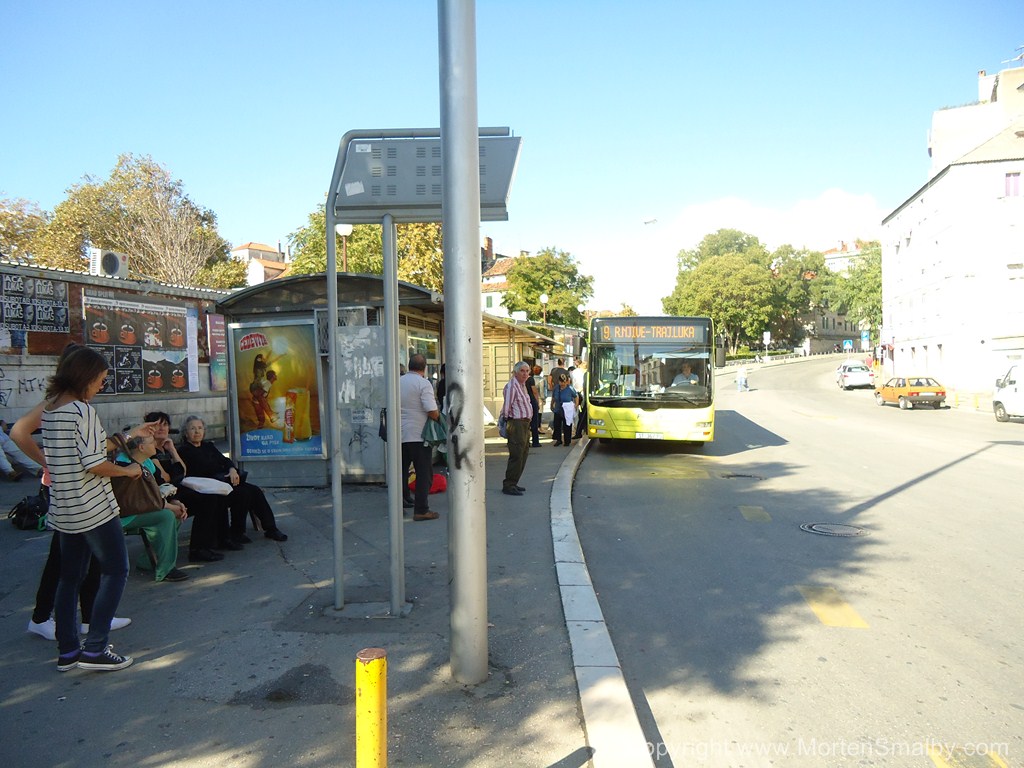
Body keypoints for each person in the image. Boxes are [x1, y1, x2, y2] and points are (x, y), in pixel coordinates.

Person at [40, 345, 141, 672]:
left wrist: (124, 438)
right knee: (116, 570)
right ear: (84, 378)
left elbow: (80, 454)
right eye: (99, 380)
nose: (101, 386)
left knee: (69, 579)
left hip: (65, 509)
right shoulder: (82, 412)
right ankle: (95, 648)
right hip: (94, 509)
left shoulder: (51, 410)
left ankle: (68, 651)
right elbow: (94, 463)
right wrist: (128, 470)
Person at [177, 415, 287, 542]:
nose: (197, 432)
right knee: (242, 493)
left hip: (224, 482)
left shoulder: (208, 446)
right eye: (192, 429)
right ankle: (237, 532)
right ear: (186, 433)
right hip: (209, 489)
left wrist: (232, 469)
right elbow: (199, 471)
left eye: (200, 428)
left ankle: (271, 529)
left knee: (254, 490)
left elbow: (225, 460)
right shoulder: (184, 451)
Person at [144, 410, 232, 562]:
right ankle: (198, 550)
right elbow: (164, 477)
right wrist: (174, 473)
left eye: (165, 425)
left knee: (213, 497)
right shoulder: (149, 449)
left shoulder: (166, 447)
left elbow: (182, 471)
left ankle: (210, 543)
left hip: (173, 490)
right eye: (157, 425)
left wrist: (172, 450)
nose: (162, 428)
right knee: (207, 501)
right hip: (160, 495)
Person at [113, 435, 190, 583]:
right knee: (166, 516)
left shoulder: (147, 462)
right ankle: (165, 570)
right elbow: (139, 499)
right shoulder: (123, 464)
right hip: (126, 514)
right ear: (141, 447)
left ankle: (147, 561)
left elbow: (161, 487)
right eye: (151, 441)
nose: (155, 443)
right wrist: (170, 507)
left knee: (175, 515)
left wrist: (175, 501)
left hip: (146, 508)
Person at [400, 354, 441, 521]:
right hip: (418, 435)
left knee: (401, 471)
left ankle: (399, 504)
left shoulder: (397, 382)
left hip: (399, 435)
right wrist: (439, 418)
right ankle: (421, 509)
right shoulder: (423, 384)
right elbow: (431, 410)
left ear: (409, 366)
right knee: (424, 472)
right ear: (424, 368)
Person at [500, 361, 533, 496]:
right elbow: (507, 407)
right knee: (516, 455)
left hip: (524, 423)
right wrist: (508, 423)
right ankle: (509, 484)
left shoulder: (522, 385)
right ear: (515, 372)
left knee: (523, 454)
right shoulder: (512, 386)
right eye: (522, 371)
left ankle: (514, 482)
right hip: (516, 423)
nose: (525, 374)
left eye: (527, 371)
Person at [550, 372, 579, 446]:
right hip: (558, 409)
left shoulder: (570, 388)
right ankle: (558, 440)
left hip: (567, 410)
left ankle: (567, 441)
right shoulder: (556, 388)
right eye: (561, 382)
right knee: (557, 425)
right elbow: (553, 397)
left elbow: (576, 396)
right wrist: (551, 404)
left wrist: (576, 405)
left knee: (567, 425)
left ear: (566, 381)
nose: (563, 384)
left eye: (564, 382)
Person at [570, 360, 587, 440]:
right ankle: (578, 431)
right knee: (581, 413)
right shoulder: (584, 374)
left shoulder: (575, 372)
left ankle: (577, 429)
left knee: (578, 412)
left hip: (577, 392)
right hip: (581, 394)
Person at [527, 365, 542, 448]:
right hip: (531, 402)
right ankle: (535, 442)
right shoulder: (530, 379)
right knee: (534, 423)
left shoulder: (518, 380)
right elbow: (535, 392)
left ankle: (526, 441)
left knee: (525, 424)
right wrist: (537, 402)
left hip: (523, 402)